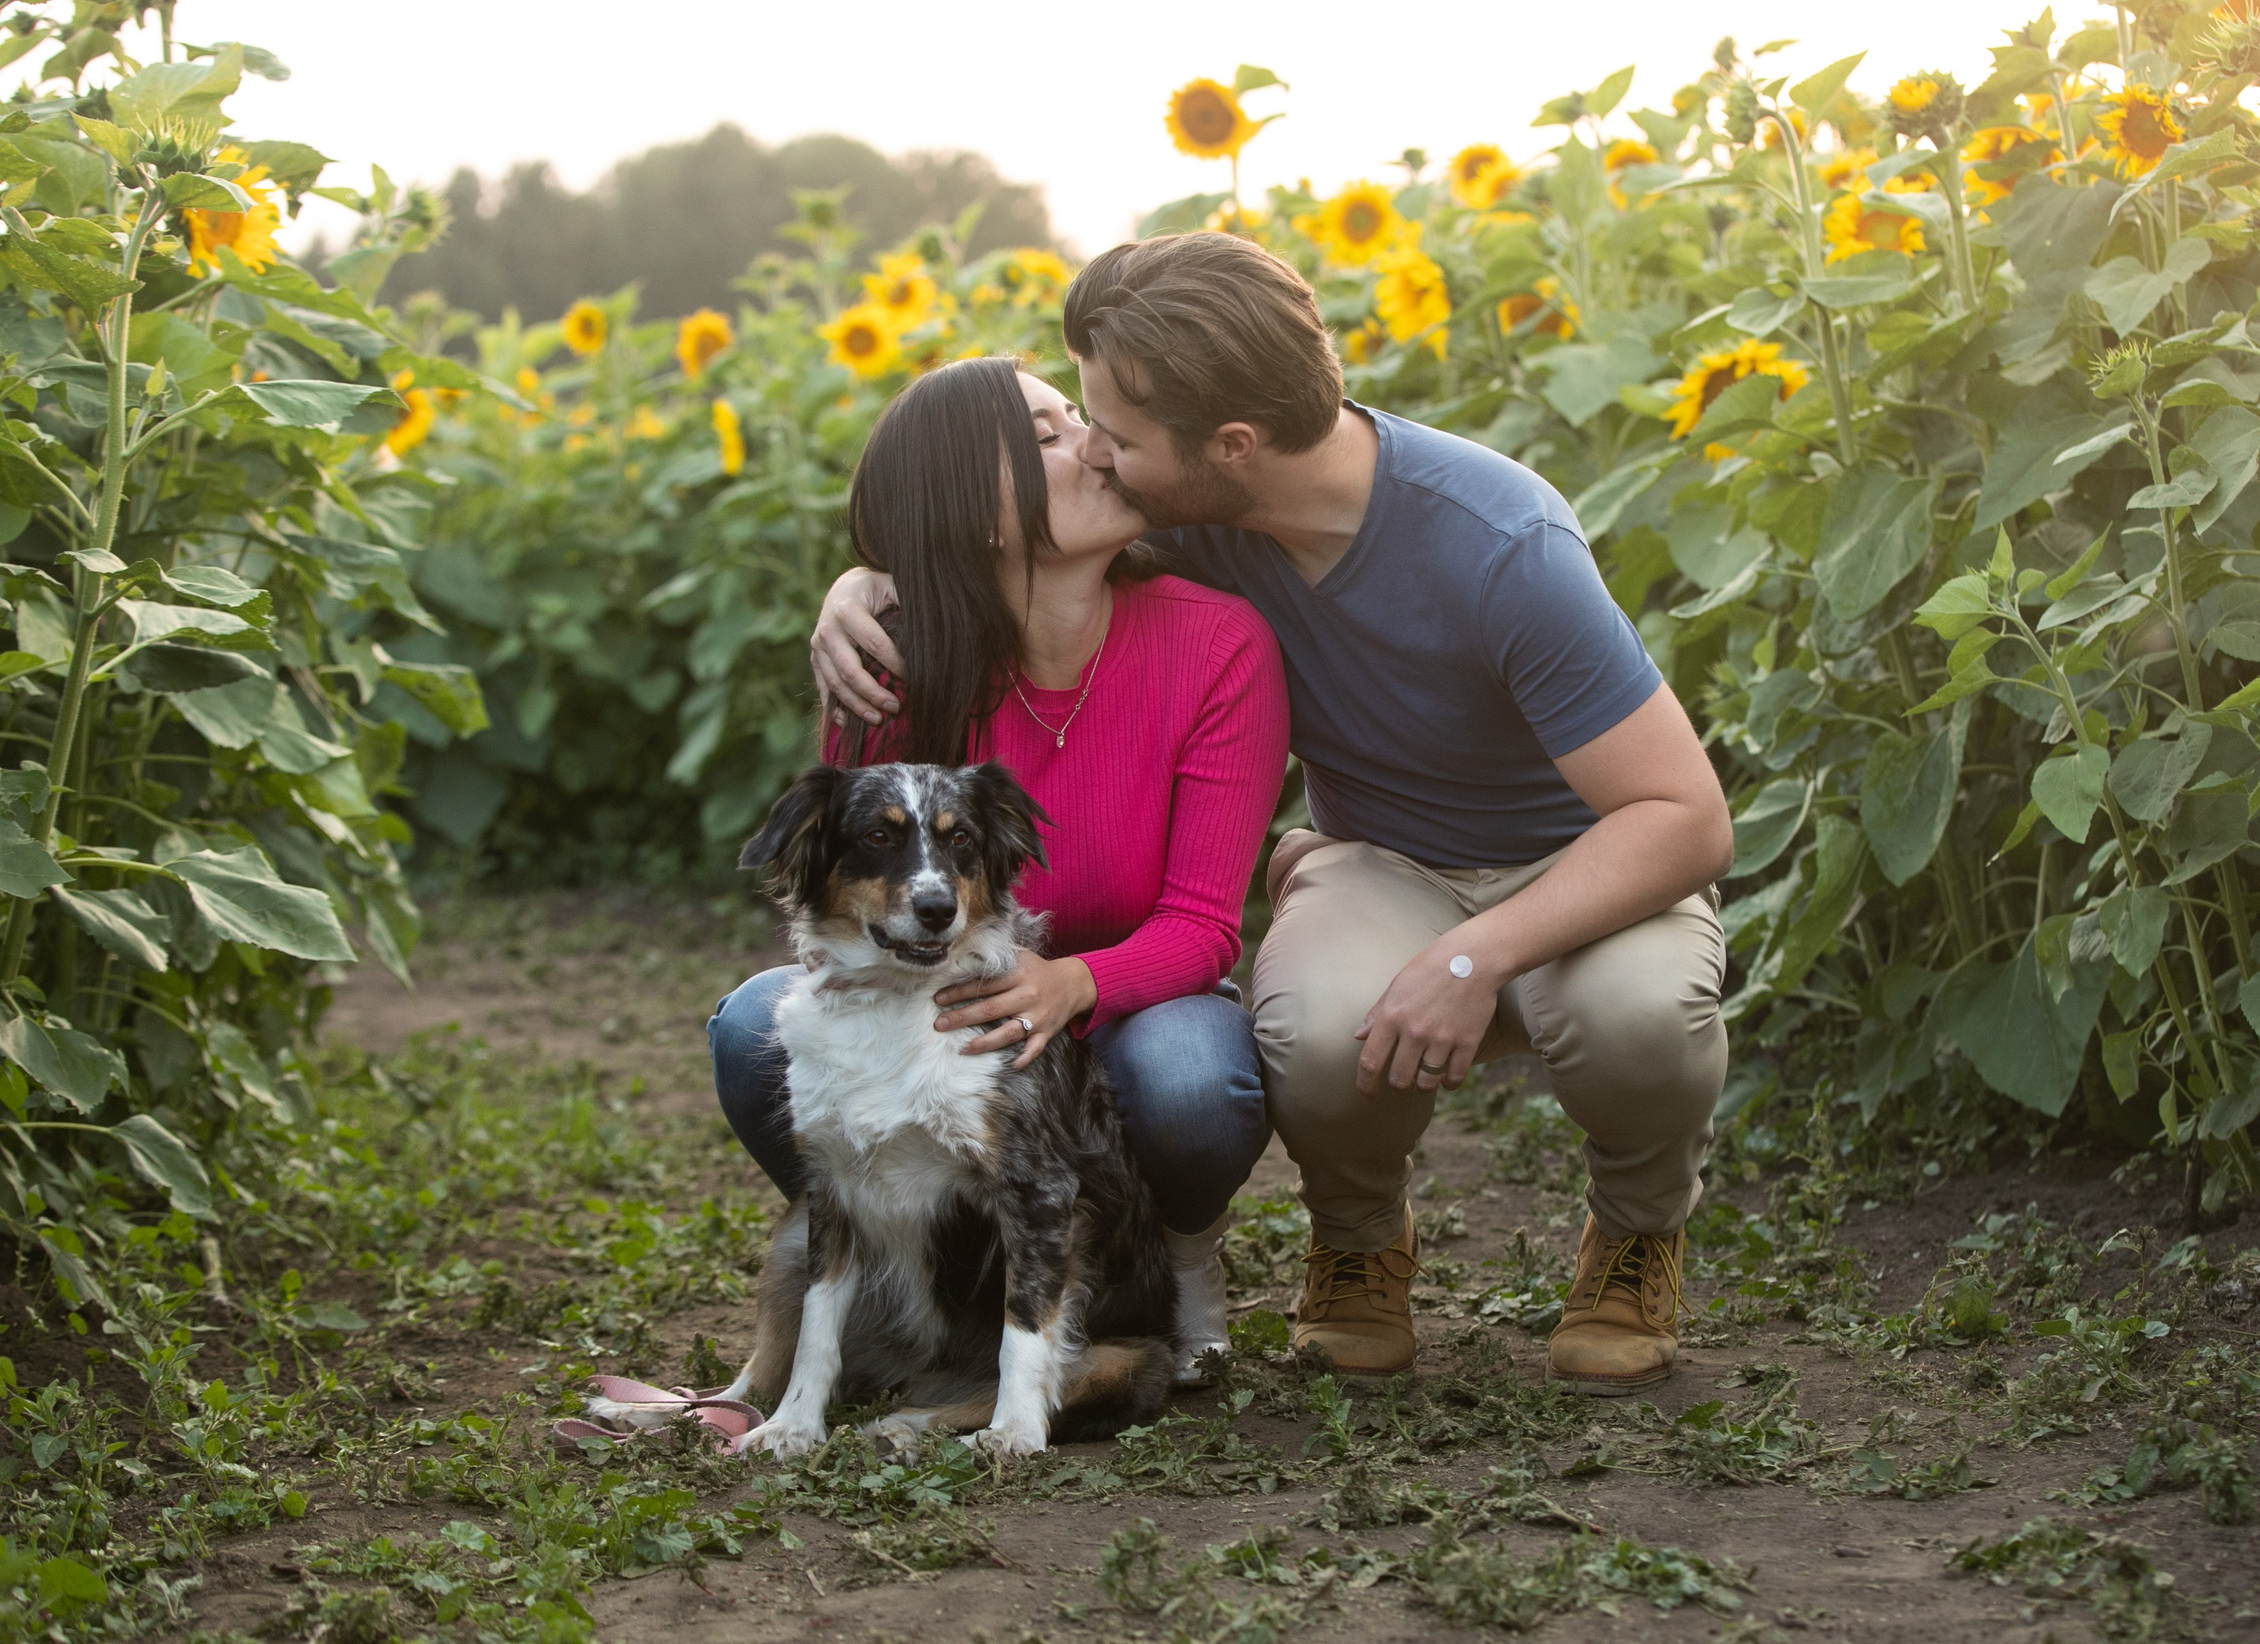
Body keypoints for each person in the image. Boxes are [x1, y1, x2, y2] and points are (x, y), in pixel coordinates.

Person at [811, 233, 1735, 1397]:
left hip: (1589, 856)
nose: (1097, 453)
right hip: (1382, 860)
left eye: (1117, 436)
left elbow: (1684, 817)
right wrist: (862, 585)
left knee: (1636, 1016)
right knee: (1306, 1028)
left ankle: (1638, 1232)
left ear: (1230, 449)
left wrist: (1473, 957)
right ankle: (1357, 1241)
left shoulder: (1503, 544)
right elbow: (979, 532)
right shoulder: (1193, 509)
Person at [709, 354, 1290, 1381]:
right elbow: (858, 901)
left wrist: (1066, 984)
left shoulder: (1217, 644)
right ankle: (913, 1276)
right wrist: (865, 583)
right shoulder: (889, 661)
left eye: (1080, 419)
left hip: (1133, 1011)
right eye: (1051, 433)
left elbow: (1204, 925)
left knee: (1196, 1081)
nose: (1097, 444)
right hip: (949, 1013)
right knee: (756, 1024)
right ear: (976, 512)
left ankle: (1171, 1260)